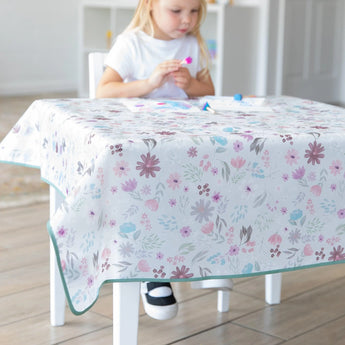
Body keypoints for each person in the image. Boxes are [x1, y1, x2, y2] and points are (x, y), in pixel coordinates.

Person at [97, 0, 231, 321]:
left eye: (195, 11)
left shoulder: (192, 43)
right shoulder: (132, 43)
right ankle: (154, 267)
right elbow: (103, 91)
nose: (187, 20)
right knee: (155, 187)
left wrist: (191, 85)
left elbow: (208, 90)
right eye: (176, 10)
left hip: (185, 138)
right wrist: (149, 84)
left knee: (218, 170)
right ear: (151, 5)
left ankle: (208, 252)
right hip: (142, 145)